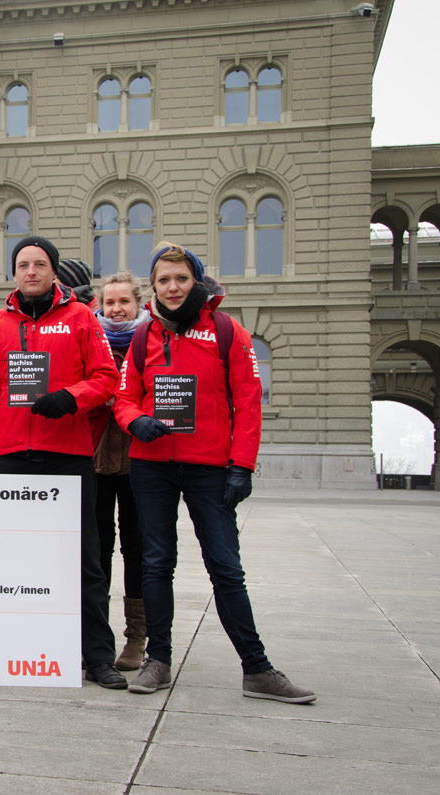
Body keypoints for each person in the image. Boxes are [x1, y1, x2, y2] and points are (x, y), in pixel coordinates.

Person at [115, 242, 315, 703]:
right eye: (163, 280)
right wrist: (134, 421)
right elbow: (124, 397)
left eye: (181, 279)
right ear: (154, 286)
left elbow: (249, 404)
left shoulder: (229, 333)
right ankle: (157, 661)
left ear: (197, 282)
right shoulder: (145, 337)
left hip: (209, 468)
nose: (171, 287)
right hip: (152, 467)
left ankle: (257, 669)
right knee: (155, 563)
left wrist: (241, 466)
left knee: (226, 569)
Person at [0, 234, 126, 689]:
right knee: (12, 560)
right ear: (14, 273)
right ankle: (13, 648)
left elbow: (106, 379)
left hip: (68, 458)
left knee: (84, 561)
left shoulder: (79, 318)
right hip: (13, 458)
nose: (31, 271)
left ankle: (97, 656)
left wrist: (69, 399)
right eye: (23, 264)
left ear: (54, 271)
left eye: (40, 264)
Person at [90, 272, 152, 671]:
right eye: (109, 303)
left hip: (139, 461)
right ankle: (97, 635)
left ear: (137, 304)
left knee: (138, 551)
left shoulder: (150, 341)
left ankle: (136, 638)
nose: (115, 310)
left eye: (123, 302)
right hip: (94, 459)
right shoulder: (90, 339)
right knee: (97, 552)